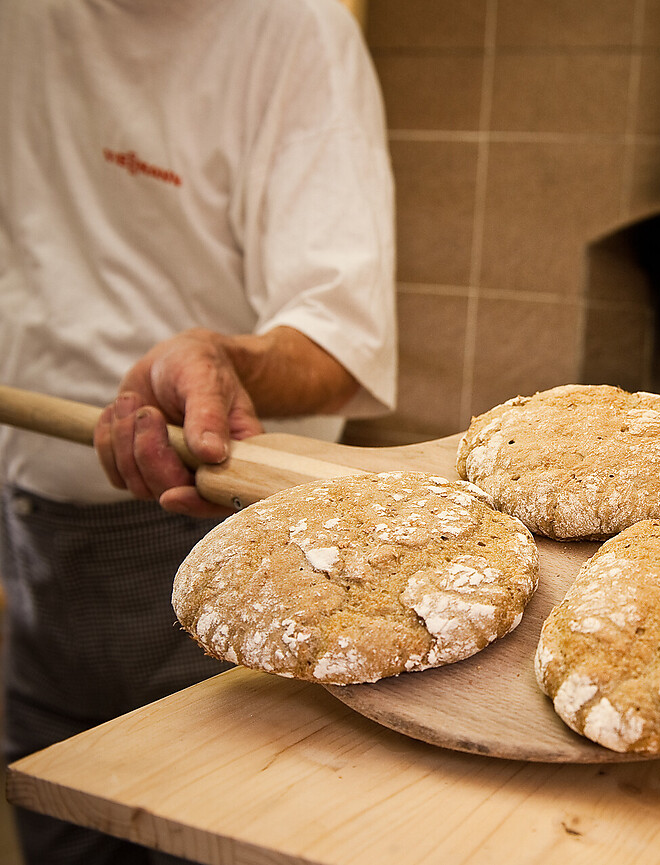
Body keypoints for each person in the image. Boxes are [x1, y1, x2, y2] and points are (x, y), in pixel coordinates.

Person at [0, 1, 398, 862]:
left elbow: (342, 340)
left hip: (219, 543)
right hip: (34, 551)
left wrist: (225, 361)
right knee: (56, 822)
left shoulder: (292, 28)